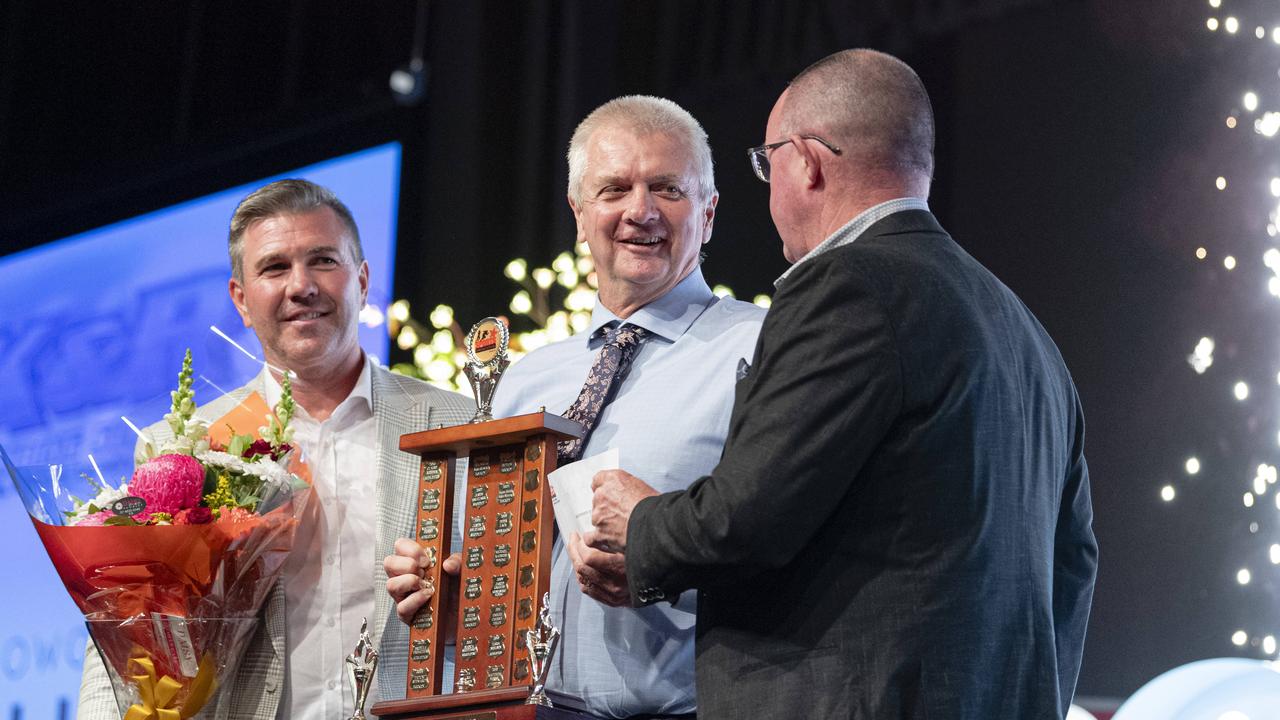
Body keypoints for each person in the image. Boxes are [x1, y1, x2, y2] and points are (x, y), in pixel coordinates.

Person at [586, 50, 1098, 719]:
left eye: (767, 164)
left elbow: (749, 517)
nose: (770, 187)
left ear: (804, 161)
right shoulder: (1027, 332)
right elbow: (1074, 563)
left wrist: (640, 525)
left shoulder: (849, 286)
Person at [384, 95, 765, 718]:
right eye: (614, 189)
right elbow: (492, 579)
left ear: (710, 212)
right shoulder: (527, 378)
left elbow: (784, 546)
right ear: (579, 213)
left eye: (666, 188)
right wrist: (449, 603)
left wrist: (660, 559)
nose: (640, 211)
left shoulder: (759, 348)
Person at [77, 179, 475, 719]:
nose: (301, 285)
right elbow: (123, 637)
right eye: (274, 268)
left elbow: (507, 611)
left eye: (323, 260)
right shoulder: (182, 450)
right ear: (241, 300)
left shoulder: (460, 422)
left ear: (362, 280)